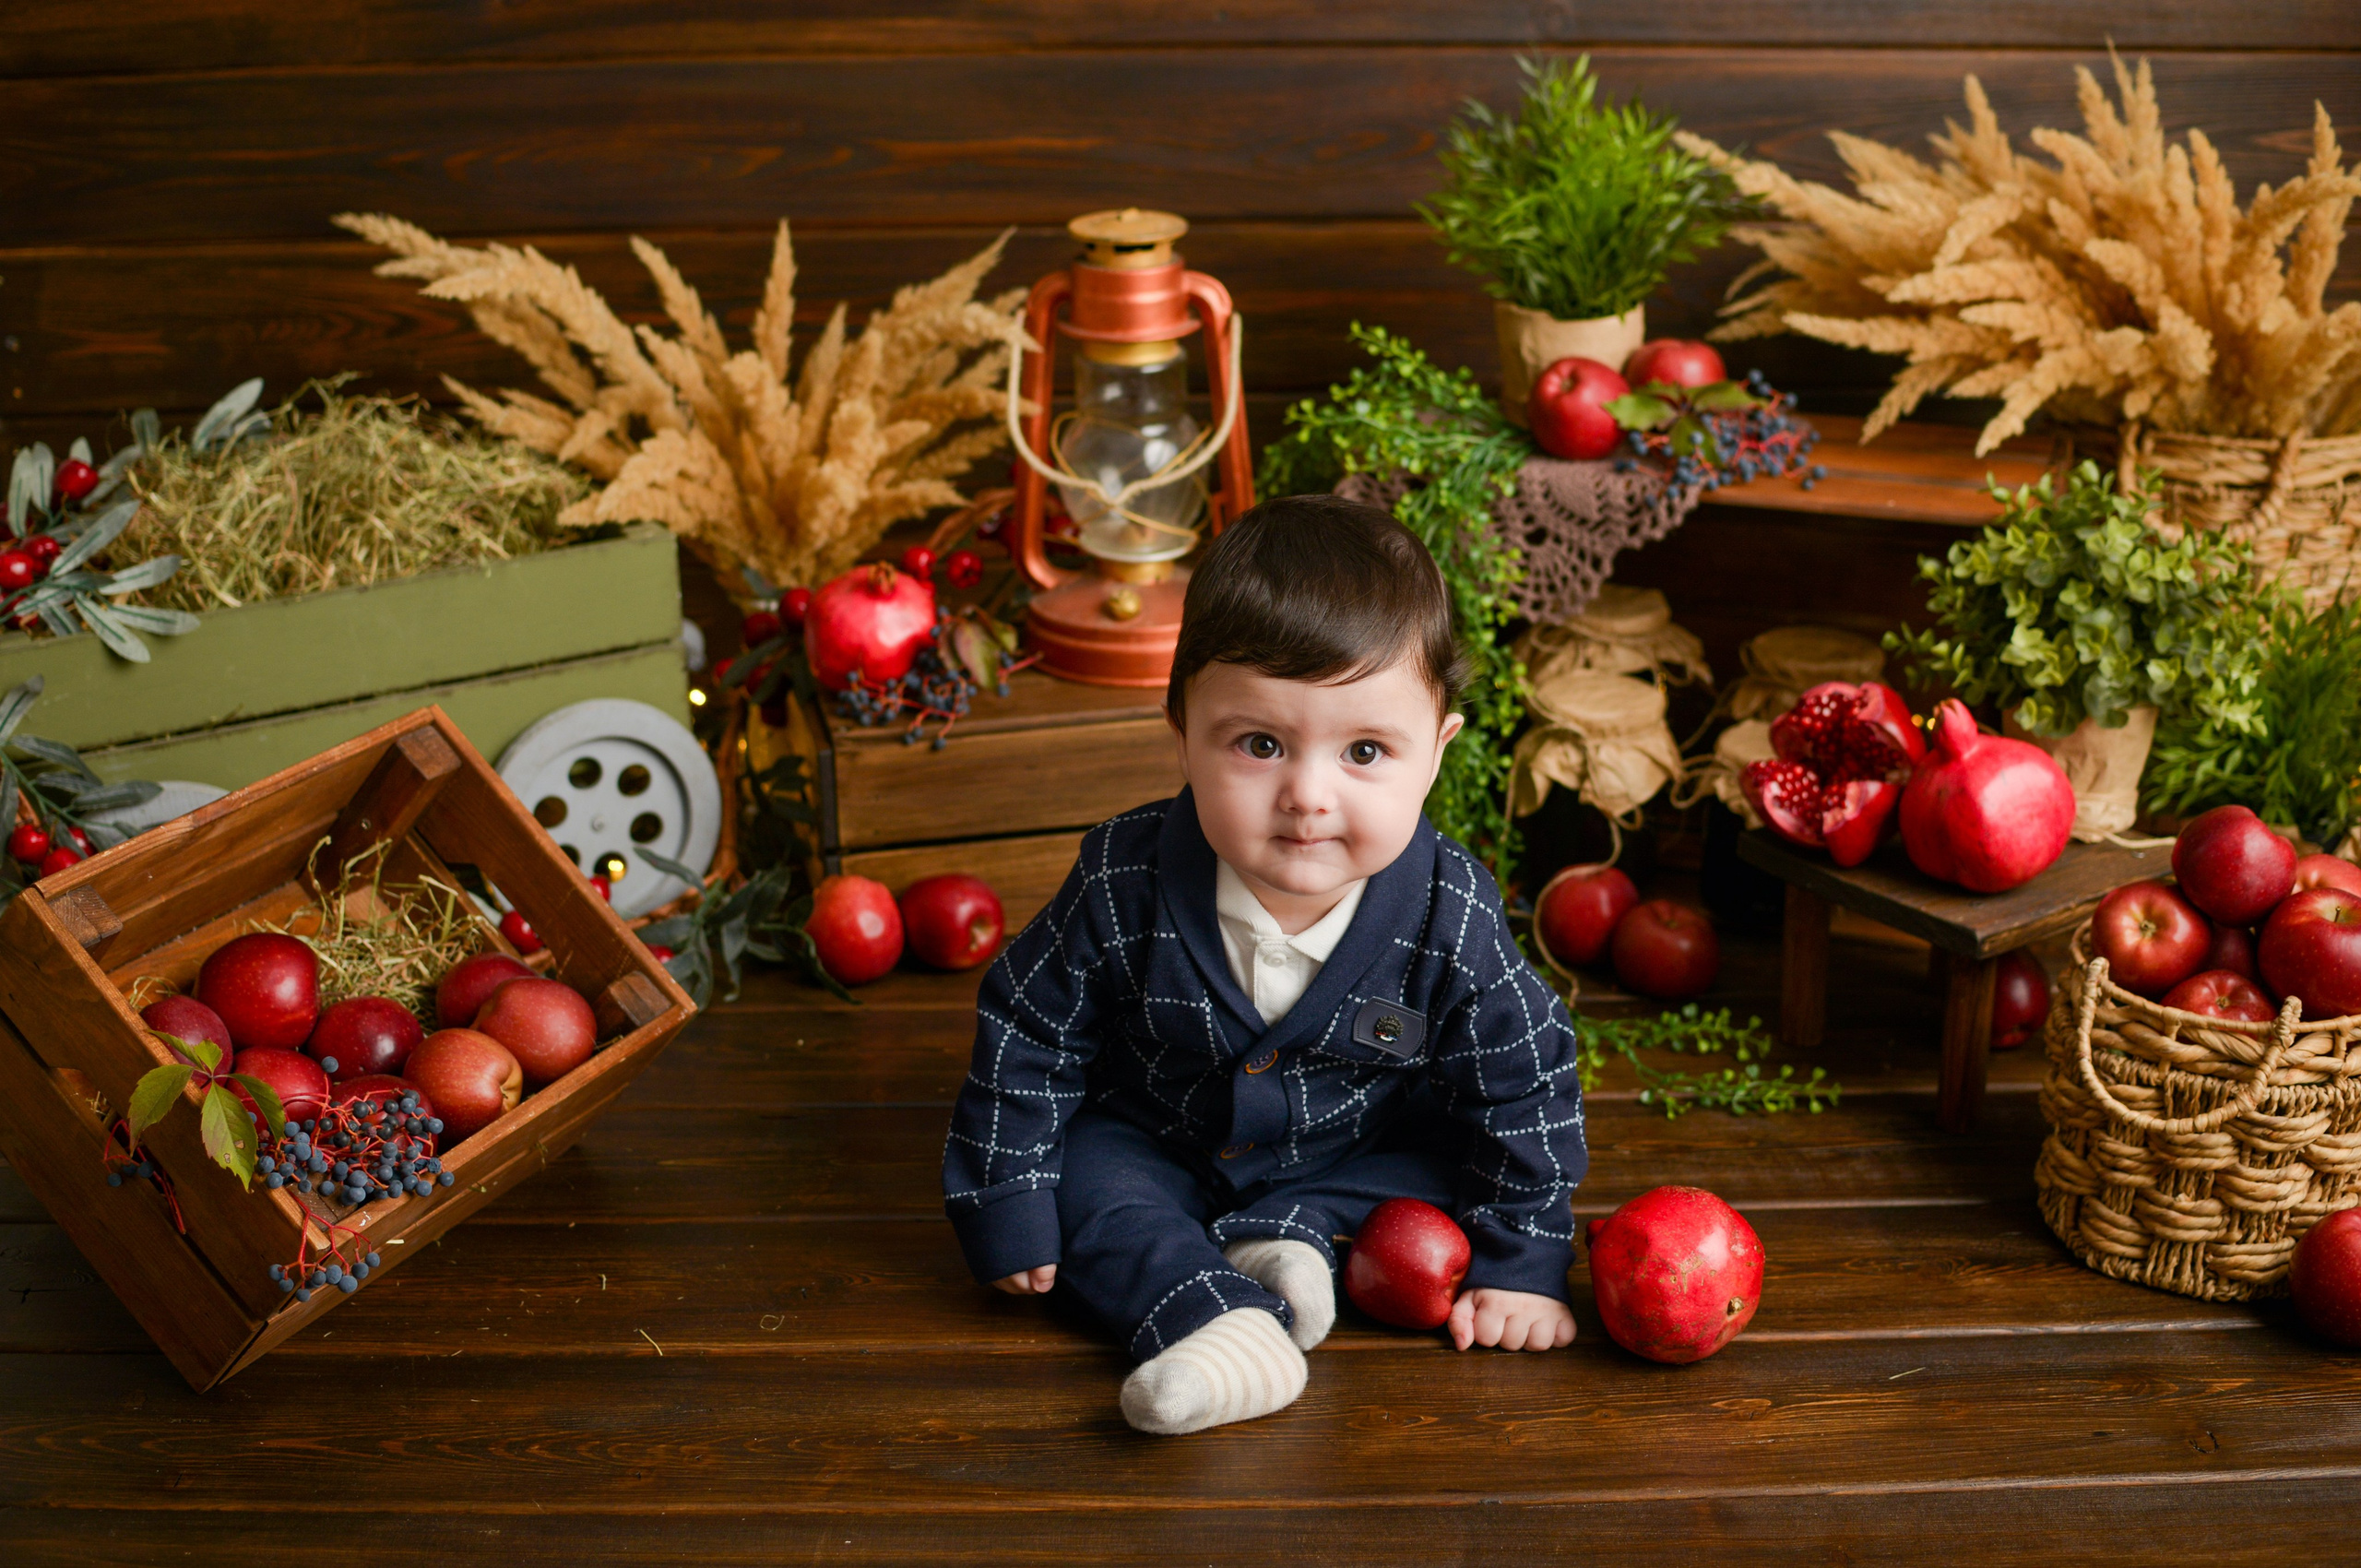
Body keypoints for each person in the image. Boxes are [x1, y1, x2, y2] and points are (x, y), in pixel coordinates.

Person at [941, 493, 1587, 1436]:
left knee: (1453, 1164)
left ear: (1436, 753)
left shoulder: (1451, 915)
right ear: (1183, 732)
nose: (1307, 796)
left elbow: (1526, 1080)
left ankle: (1286, 1235)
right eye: (1259, 743)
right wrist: (1004, 1196)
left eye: (1365, 749)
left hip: (1360, 1152)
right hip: (1156, 1137)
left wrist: (1521, 1264)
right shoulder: (1124, 877)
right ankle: (1218, 1318)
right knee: (1081, 1182)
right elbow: (1029, 1029)